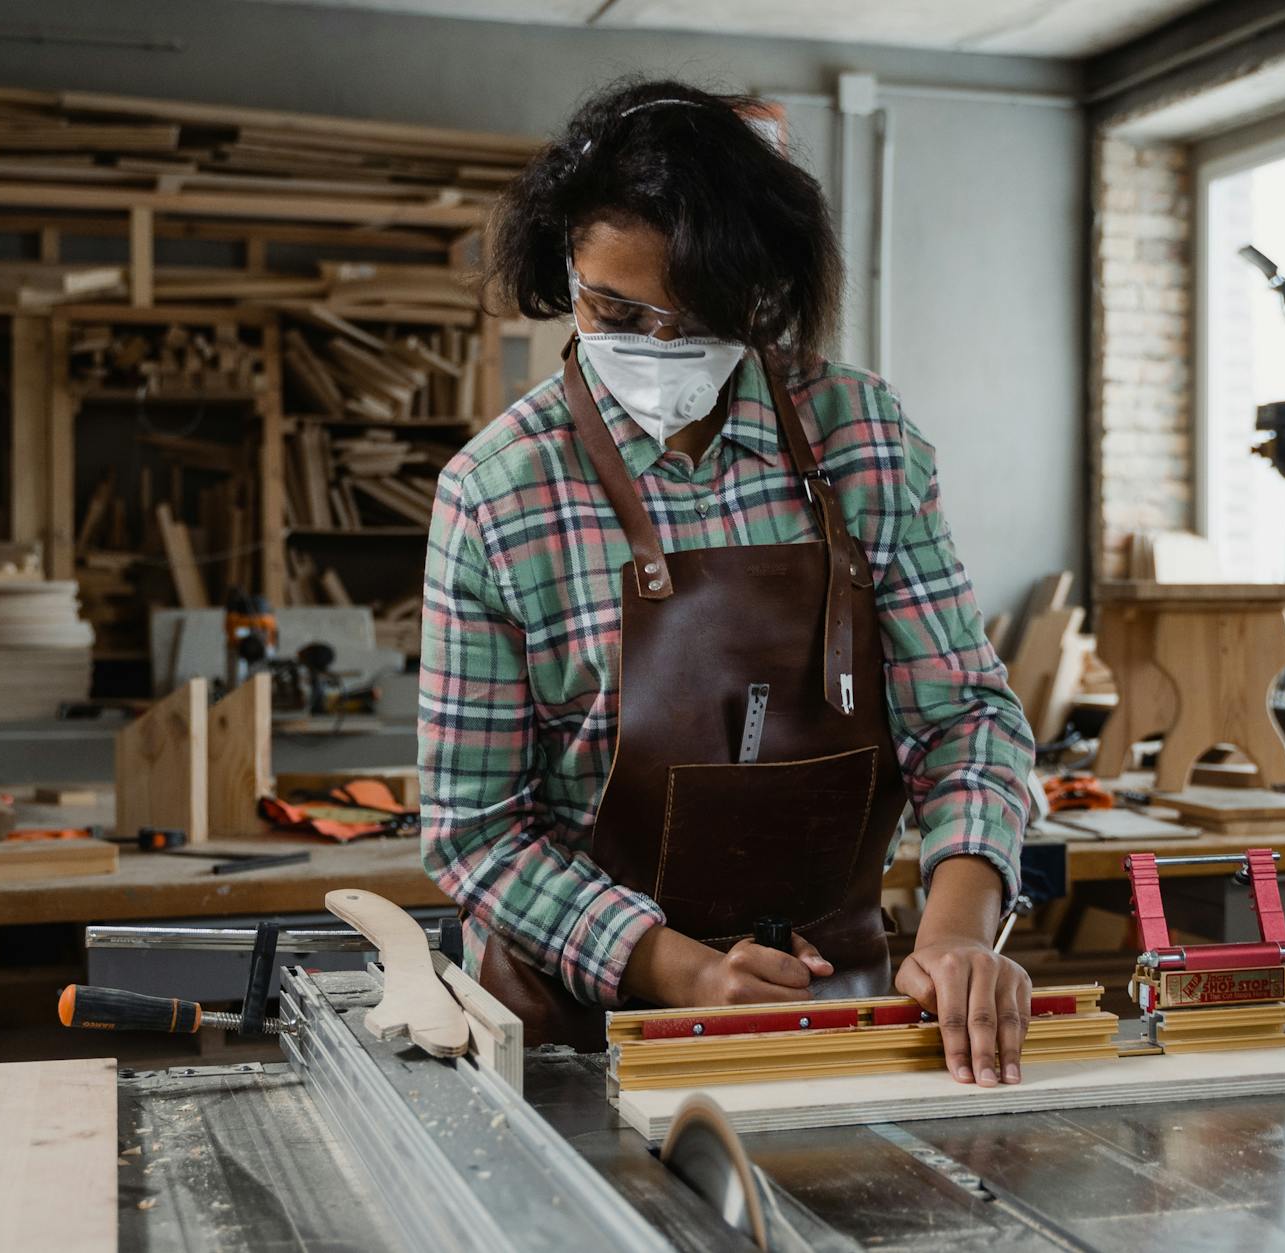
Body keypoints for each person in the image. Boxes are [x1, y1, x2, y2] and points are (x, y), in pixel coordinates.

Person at [419, 79, 1038, 1086]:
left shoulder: (860, 437)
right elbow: (475, 830)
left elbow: (962, 715)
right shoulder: (497, 492)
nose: (658, 349)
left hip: (836, 1006)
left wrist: (957, 929)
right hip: (582, 1032)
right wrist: (682, 972)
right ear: (560, 266)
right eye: (614, 310)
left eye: (699, 317)